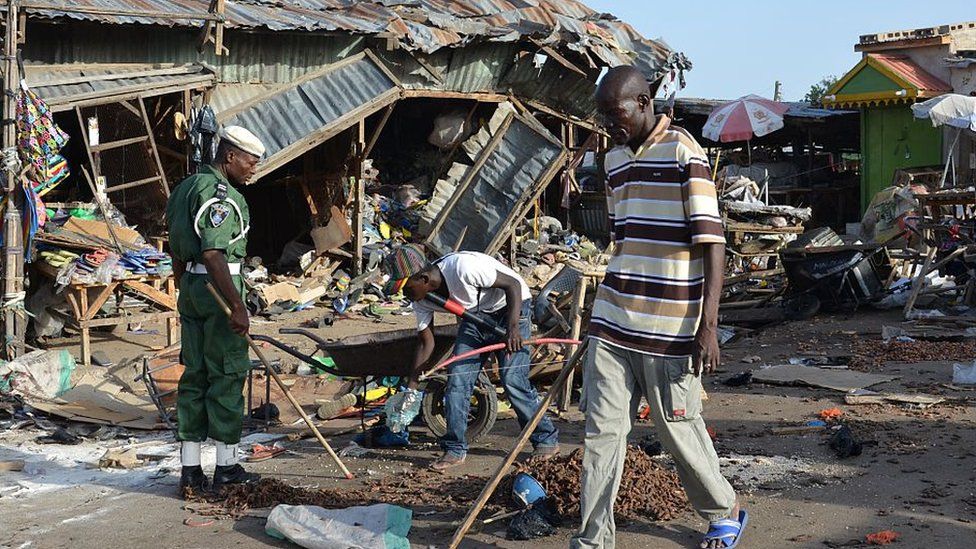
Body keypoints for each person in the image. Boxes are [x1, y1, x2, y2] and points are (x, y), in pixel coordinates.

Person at [570, 66, 747, 549]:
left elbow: (713, 243)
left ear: (645, 102)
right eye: (604, 114)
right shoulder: (612, 161)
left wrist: (708, 325)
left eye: (617, 112)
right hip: (613, 319)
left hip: (671, 326)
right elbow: (622, 236)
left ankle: (722, 509)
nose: (610, 122)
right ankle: (593, 540)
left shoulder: (684, 152)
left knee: (676, 427)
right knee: (601, 434)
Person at [381, 245, 559, 470]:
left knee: (513, 380)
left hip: (511, 308)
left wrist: (513, 328)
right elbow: (427, 342)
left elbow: (512, 285)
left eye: (405, 288)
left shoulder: (464, 267)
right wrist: (411, 388)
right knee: (457, 381)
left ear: (423, 278)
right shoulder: (421, 300)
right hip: (475, 319)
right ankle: (454, 449)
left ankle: (546, 440)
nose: (403, 295)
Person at [167, 126, 264, 493]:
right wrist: (237, 306)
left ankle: (190, 471)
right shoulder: (221, 194)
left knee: (194, 375)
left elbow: (176, 247)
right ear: (230, 157)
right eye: (250, 161)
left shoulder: (185, 188)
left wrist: (183, 287)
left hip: (192, 288)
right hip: (219, 290)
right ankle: (226, 469)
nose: (253, 169)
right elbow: (213, 252)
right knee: (226, 374)